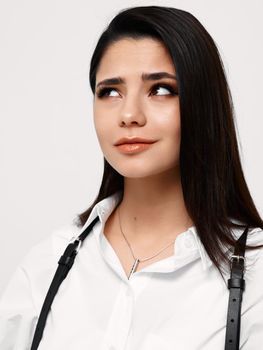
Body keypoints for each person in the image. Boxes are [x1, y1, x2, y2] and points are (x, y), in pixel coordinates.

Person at [1, 5, 263, 350]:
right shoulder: (46, 266)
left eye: (161, 89)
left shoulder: (256, 277)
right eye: (110, 92)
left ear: (203, 102)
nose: (129, 115)